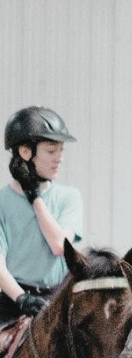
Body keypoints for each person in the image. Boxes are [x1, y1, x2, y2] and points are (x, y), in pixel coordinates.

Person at [0, 107, 82, 325]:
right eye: (51, 151)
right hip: (14, 299)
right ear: (25, 152)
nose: (59, 159)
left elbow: (59, 246)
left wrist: (34, 198)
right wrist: (21, 298)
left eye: (61, 151)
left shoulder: (69, 197)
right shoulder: (2, 201)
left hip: (58, 298)